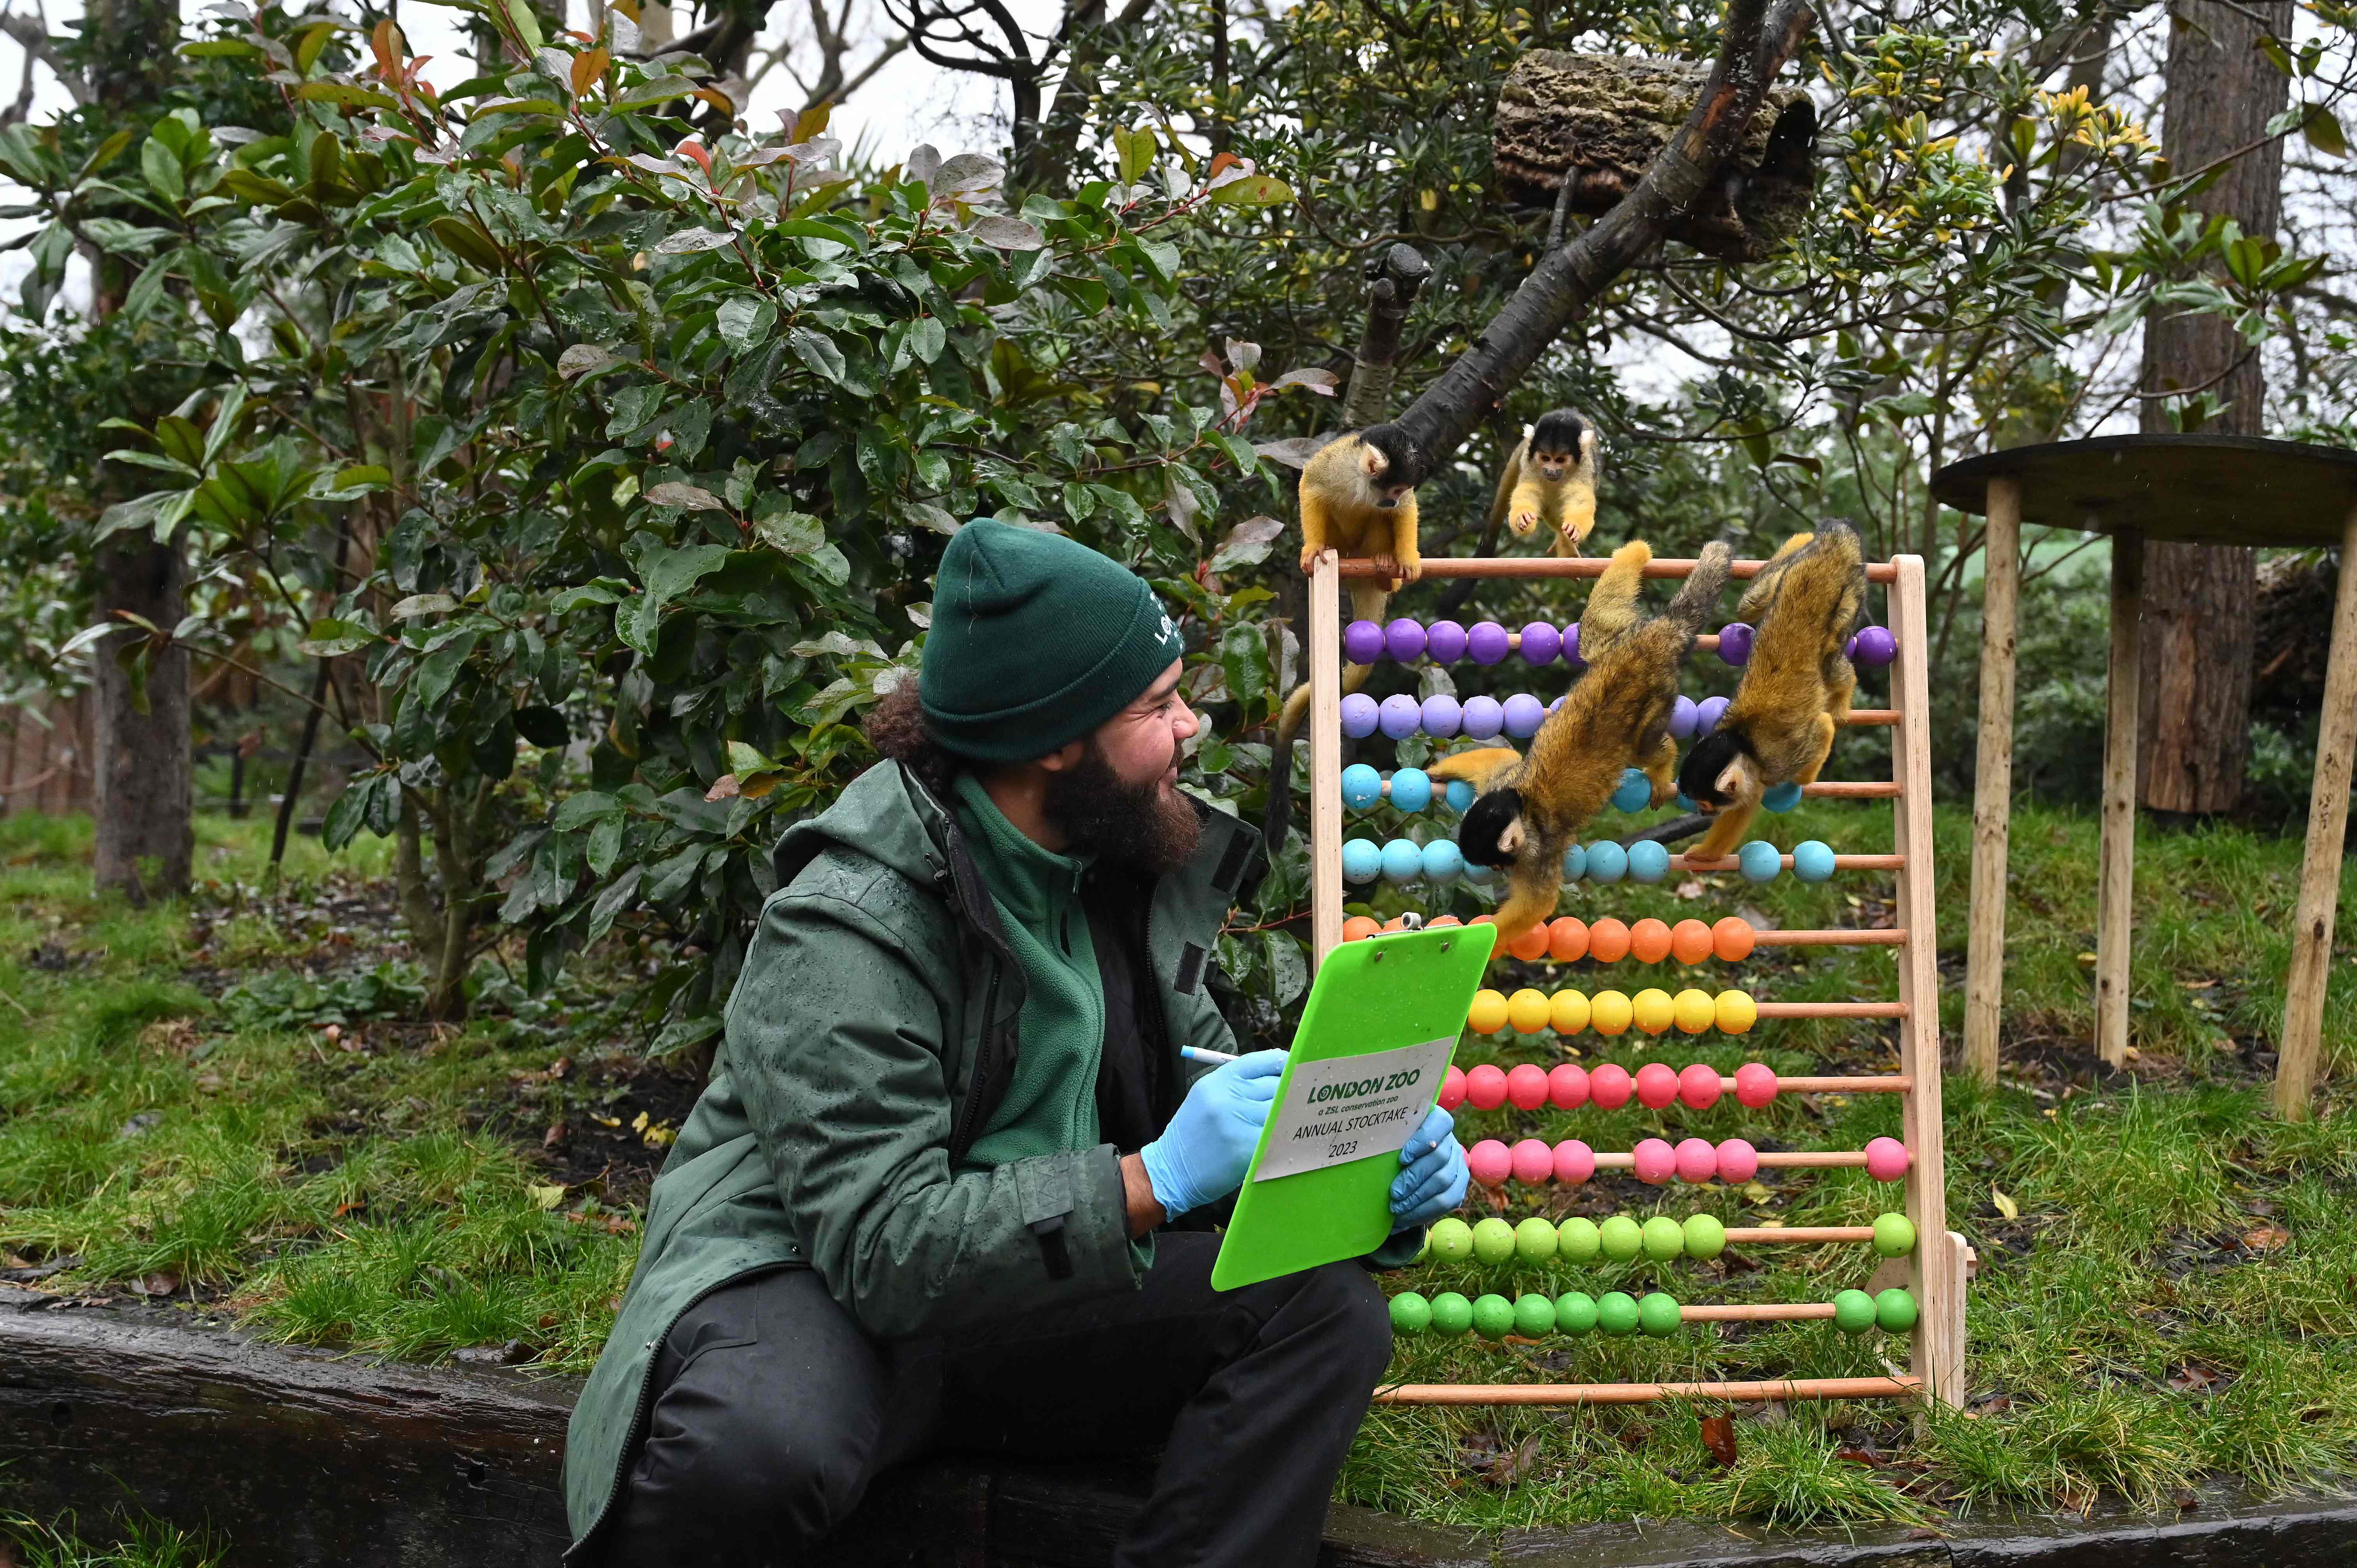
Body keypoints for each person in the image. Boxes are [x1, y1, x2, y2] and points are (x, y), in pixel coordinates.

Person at [562, 519, 1470, 1566]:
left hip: (1031, 1287)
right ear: (1053, 738)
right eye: (1157, 704)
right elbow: (882, 1251)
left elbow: (1218, 1149)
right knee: (756, 1452)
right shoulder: (850, 921)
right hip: (826, 1284)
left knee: (1324, 1317)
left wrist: (1357, 1168)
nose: (1192, 728)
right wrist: (1154, 1179)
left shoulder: (1130, 867)